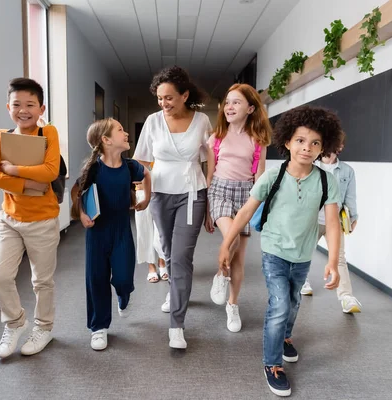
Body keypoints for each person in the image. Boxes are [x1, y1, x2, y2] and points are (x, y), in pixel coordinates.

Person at [218, 105, 342, 397]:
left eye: (315, 143)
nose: (307, 148)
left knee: (294, 301)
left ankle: (285, 336)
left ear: (323, 147)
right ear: (287, 142)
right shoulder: (273, 177)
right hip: (274, 250)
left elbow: (334, 225)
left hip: (303, 255)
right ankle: (272, 364)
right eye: (300, 140)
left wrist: (333, 261)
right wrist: (226, 244)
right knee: (280, 304)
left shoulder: (326, 181)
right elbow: (246, 212)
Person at [133, 65, 211, 349]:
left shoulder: (202, 120)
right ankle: (175, 290)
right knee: (166, 249)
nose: (163, 103)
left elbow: (210, 156)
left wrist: (211, 189)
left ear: (184, 95)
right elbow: (141, 160)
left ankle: (177, 324)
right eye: (159, 98)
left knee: (180, 257)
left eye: (169, 98)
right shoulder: (153, 121)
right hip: (160, 194)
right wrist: (143, 193)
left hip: (192, 193)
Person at [0, 78, 61, 358]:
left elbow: (50, 172)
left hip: (42, 219)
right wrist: (31, 184)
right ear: (8, 107)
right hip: (8, 219)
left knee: (42, 281)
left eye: (30, 104)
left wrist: (14, 170)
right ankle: (16, 322)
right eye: (17, 104)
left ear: (41, 108)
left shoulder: (48, 132)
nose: (23, 110)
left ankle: (44, 328)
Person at [74, 118, 150, 351]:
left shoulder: (130, 166)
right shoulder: (94, 168)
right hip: (97, 234)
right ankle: (99, 327)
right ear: (106, 140)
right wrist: (82, 213)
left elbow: (147, 173)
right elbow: (77, 191)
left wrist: (146, 197)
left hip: (121, 231)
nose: (126, 133)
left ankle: (123, 294)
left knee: (124, 278)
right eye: (120, 130)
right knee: (96, 279)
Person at [205, 83, 271, 332]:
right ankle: (221, 274)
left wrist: (259, 206)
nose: (230, 106)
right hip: (220, 191)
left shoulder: (258, 140)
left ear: (251, 108)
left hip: (246, 195)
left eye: (237, 102)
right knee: (230, 238)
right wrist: (206, 208)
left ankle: (232, 304)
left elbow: (260, 175)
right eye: (228, 102)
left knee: (239, 258)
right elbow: (210, 173)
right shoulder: (216, 137)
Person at [302, 131, 362, 313]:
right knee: (304, 252)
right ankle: (302, 282)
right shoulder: (311, 167)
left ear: (340, 147)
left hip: (334, 221)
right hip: (310, 220)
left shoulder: (347, 171)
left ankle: (346, 297)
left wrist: (353, 217)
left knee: (340, 258)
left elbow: (350, 197)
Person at [134, 162, 168, 282]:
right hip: (142, 194)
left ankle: (162, 262)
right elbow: (135, 179)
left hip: (162, 193)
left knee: (161, 231)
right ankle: (151, 266)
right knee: (144, 230)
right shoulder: (140, 156)